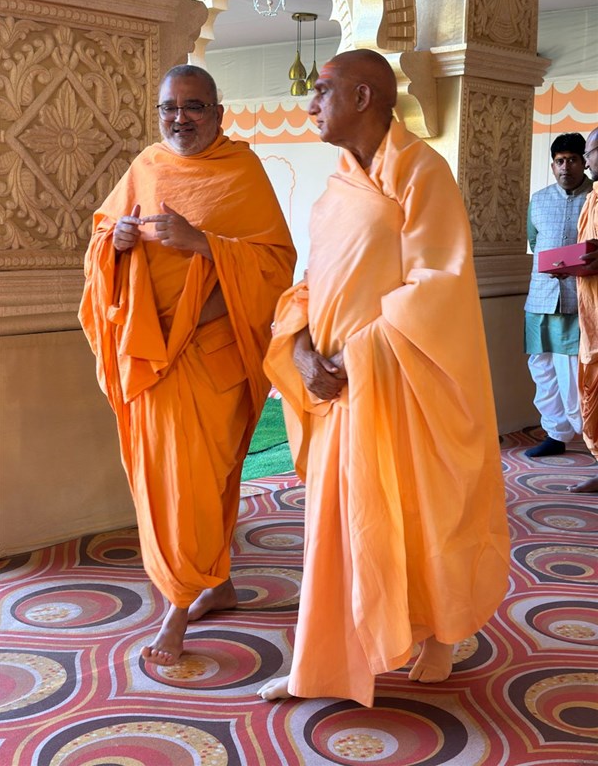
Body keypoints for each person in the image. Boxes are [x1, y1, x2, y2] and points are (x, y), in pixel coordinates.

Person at [258, 49, 510, 707]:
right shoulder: (337, 186)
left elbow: (440, 282)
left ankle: (437, 631)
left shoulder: (423, 173)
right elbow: (314, 284)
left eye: (322, 90)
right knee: (341, 527)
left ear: (365, 97)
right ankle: (321, 660)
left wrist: (362, 352)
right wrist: (305, 350)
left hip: (402, 381)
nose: (309, 104)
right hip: (342, 389)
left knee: (423, 514)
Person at [79, 64, 296, 664]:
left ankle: (177, 609)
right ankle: (216, 582)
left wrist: (201, 243)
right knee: (166, 483)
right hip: (151, 360)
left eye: (194, 107)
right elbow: (101, 233)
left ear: (218, 114)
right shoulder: (146, 166)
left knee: (197, 486)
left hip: (215, 358)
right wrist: (116, 241)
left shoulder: (242, 172)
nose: (180, 118)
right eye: (169, 108)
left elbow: (278, 265)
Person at [523, 133, 592, 458]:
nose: (566, 167)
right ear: (552, 166)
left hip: (578, 299)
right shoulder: (538, 199)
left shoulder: (593, 197)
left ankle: (588, 435)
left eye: (573, 159)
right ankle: (555, 433)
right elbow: (535, 244)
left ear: (585, 162)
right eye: (560, 161)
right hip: (540, 297)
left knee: (573, 370)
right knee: (542, 367)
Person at [569, 126, 598, 493]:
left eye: (590, 152)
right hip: (591, 310)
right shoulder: (592, 197)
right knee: (591, 388)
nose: (586, 159)